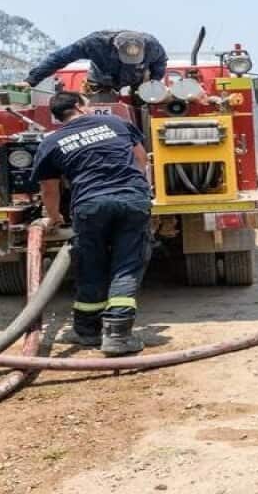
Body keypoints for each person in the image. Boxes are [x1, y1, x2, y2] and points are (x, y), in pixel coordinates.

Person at [32, 92, 152, 356]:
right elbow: (140, 158)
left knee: (90, 264)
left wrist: (53, 217)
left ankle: (87, 332)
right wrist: (138, 189)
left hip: (89, 206)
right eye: (88, 103)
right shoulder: (116, 124)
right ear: (79, 106)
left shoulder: (51, 142)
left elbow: (49, 188)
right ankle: (118, 336)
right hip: (131, 200)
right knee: (127, 264)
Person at [24, 30, 168, 94]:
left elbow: (160, 63)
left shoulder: (152, 45)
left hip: (138, 80)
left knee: (147, 106)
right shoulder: (94, 44)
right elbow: (59, 58)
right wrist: (31, 81)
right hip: (101, 83)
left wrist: (153, 83)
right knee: (99, 112)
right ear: (114, 48)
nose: (129, 62)